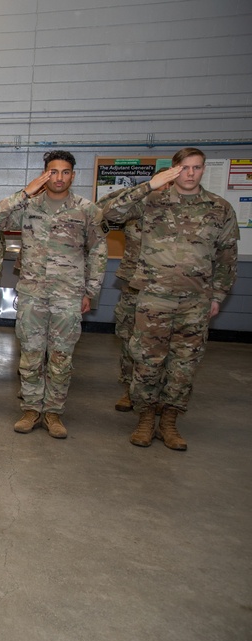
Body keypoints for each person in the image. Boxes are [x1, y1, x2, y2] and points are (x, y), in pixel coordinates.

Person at [101, 148, 238, 450]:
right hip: (154, 299)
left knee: (184, 366)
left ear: (203, 170)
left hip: (195, 302)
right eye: (184, 168)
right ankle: (146, 417)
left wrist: (218, 296)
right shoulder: (151, 202)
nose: (190, 173)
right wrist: (149, 185)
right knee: (148, 362)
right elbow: (109, 214)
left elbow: (227, 257)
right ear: (174, 170)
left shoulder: (220, 208)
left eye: (197, 167)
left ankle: (170, 421)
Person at [0, 150, 107, 439]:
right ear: (45, 174)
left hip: (68, 295)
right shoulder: (29, 206)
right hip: (32, 295)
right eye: (53, 172)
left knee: (61, 357)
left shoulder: (86, 210)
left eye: (65, 172)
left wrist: (90, 291)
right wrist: (25, 192)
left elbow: (99, 252)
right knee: (30, 355)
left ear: (73, 176)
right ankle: (30, 409)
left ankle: (53, 412)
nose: (59, 178)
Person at [99, 168, 173, 413]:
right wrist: (143, 188)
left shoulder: (182, 213)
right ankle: (130, 390)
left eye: (170, 184)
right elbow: (104, 209)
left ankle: (163, 395)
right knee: (130, 341)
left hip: (169, 289)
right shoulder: (137, 207)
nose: (166, 189)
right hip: (135, 284)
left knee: (168, 345)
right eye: (162, 184)